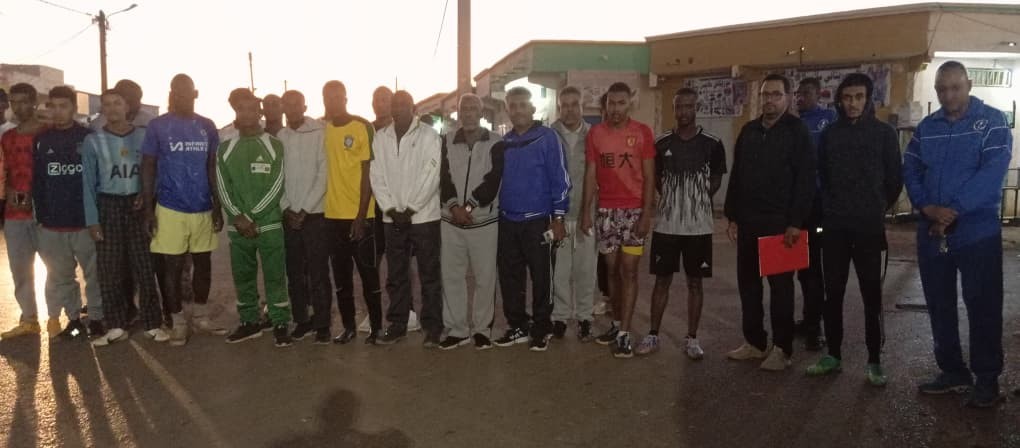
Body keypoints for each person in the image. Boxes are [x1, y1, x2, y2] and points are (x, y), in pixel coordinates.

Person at [904, 61, 1012, 408]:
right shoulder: (927, 128)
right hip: (932, 231)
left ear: (968, 85)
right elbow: (911, 168)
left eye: (955, 87)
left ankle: (987, 379)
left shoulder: (992, 122)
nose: (948, 95)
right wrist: (926, 207)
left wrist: (951, 211)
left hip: (976, 233)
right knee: (939, 304)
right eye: (941, 89)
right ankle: (952, 371)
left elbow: (992, 174)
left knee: (983, 305)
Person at [805, 73, 902, 386]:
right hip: (834, 229)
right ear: (839, 100)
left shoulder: (884, 134)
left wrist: (875, 208)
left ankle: (874, 361)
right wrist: (832, 209)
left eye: (859, 97)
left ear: (868, 99)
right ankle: (833, 355)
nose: (853, 103)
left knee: (871, 296)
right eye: (847, 98)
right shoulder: (830, 135)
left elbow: (894, 179)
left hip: (869, 229)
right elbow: (823, 175)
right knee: (832, 294)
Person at [724, 74, 815, 371]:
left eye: (776, 94)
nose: (769, 100)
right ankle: (755, 342)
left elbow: (805, 180)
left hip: (781, 224)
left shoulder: (797, 132)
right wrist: (732, 216)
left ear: (788, 97)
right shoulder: (749, 131)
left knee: (781, 289)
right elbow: (737, 175)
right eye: (765, 95)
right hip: (749, 221)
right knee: (749, 286)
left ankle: (782, 348)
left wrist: (796, 222)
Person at [478, 86, 570, 352]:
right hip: (508, 220)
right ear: (507, 110)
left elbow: (560, 179)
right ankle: (518, 325)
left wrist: (558, 218)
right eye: (513, 106)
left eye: (522, 105)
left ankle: (542, 328)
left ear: (532, 108)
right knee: (510, 278)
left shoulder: (548, 138)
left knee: (542, 278)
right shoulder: (504, 143)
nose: (517, 110)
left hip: (539, 221)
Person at [640, 88, 726, 360]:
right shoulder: (661, 142)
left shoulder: (712, 143)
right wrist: (673, 201)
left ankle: (692, 338)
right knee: (661, 281)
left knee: (695, 283)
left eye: (689, 106)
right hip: (666, 226)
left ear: (696, 108)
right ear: (674, 109)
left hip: (698, 228)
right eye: (679, 107)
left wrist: (695, 201)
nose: (684, 112)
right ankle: (653, 334)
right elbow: (656, 178)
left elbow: (716, 180)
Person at [141, 74, 224, 346]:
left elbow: (212, 167)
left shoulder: (207, 126)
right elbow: (148, 167)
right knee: (172, 268)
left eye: (187, 92)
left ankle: (200, 317)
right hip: (169, 207)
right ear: (171, 94)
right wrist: (148, 209)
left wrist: (217, 204)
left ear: (195, 94)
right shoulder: (158, 126)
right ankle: (177, 322)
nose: (182, 97)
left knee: (203, 265)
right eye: (177, 92)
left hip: (202, 207)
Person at [82, 88, 168, 346]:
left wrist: (146, 195)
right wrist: (92, 220)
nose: (112, 108)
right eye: (107, 104)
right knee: (109, 269)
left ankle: (152, 323)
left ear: (127, 106)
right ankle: (116, 325)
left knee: (144, 266)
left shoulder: (144, 136)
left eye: (117, 103)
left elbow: (155, 171)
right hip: (108, 205)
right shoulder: (93, 141)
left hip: (137, 206)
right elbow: (87, 183)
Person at [580, 82, 655, 358]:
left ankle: (625, 332)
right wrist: (585, 211)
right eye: (611, 103)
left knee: (629, 272)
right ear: (605, 104)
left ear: (629, 104)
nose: (615, 108)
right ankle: (615, 323)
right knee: (611, 271)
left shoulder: (642, 133)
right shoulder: (596, 134)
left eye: (621, 103)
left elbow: (650, 176)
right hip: (606, 213)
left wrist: (646, 214)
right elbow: (590, 174)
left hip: (633, 212)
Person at [216, 89, 292, 347]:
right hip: (238, 227)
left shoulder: (274, 145)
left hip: (268, 224)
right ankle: (249, 321)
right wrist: (238, 217)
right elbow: (223, 187)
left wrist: (252, 216)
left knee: (275, 276)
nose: (246, 114)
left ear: (259, 113)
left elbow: (276, 185)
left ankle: (280, 322)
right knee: (243, 276)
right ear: (235, 112)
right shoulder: (225, 148)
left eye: (251, 109)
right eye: (241, 109)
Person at [369, 90, 444, 346]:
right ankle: (398, 324)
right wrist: (391, 209)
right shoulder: (381, 137)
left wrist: (410, 209)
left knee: (429, 274)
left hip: (424, 217)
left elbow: (431, 175)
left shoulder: (429, 136)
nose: (398, 108)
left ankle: (432, 327)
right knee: (396, 275)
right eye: (395, 104)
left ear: (413, 108)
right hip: (392, 219)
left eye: (403, 104)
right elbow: (376, 175)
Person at [33, 86, 102, 340]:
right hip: (53, 225)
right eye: (53, 106)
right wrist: (41, 218)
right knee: (62, 276)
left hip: (84, 223)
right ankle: (73, 320)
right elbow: (38, 182)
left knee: (94, 274)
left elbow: (98, 179)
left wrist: (97, 218)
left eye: (64, 106)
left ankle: (97, 318)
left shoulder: (89, 137)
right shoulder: (42, 139)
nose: (58, 111)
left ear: (74, 108)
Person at [437, 94, 502, 350]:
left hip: (483, 222)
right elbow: (442, 176)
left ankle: (482, 329)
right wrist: (454, 207)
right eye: (464, 109)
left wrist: (469, 207)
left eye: (474, 108)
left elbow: (494, 179)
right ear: (458, 113)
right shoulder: (446, 140)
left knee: (485, 278)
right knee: (452, 277)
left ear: (481, 112)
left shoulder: (496, 141)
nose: (468, 113)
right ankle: (457, 329)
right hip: (451, 222)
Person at [321, 81, 383, 345]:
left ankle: (377, 328)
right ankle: (348, 327)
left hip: (361, 217)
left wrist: (361, 216)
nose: (334, 101)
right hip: (332, 217)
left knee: (369, 275)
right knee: (341, 278)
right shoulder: (323, 130)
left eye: (338, 97)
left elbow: (368, 172)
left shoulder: (361, 127)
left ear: (345, 98)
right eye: (329, 97)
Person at [278, 90, 332, 344]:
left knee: (318, 273)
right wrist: (287, 208)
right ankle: (302, 321)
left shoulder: (319, 132)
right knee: (294, 273)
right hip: (289, 216)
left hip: (315, 215)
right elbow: (276, 177)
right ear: (283, 108)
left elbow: (324, 172)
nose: (292, 109)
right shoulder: (280, 137)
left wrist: (305, 210)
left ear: (304, 106)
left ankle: (322, 324)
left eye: (296, 104)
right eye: (287, 105)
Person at [549, 86, 596, 342]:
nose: (569, 110)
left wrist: (591, 211)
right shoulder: (549, 136)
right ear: (559, 108)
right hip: (558, 216)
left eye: (573, 104)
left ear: (582, 106)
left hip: (586, 214)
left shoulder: (594, 135)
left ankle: (585, 317)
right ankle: (560, 317)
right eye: (564, 105)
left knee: (586, 271)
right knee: (559, 271)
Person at [0, 83, 46, 339]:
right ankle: (29, 319)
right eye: (14, 102)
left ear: (34, 102)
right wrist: (8, 194)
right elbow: (4, 172)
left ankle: (64, 319)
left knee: (58, 268)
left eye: (24, 101)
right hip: (15, 213)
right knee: (20, 269)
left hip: (46, 211)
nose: (18, 107)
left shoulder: (47, 133)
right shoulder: (7, 137)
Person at [793, 77, 835, 351]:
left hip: (820, 205)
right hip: (797, 207)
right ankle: (807, 318)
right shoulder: (793, 123)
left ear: (818, 95)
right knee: (800, 267)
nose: (801, 98)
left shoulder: (828, 121)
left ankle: (816, 327)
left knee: (815, 269)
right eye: (798, 93)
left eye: (806, 93)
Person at [90, 79, 156, 130]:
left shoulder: (150, 122)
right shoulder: (99, 124)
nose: (132, 104)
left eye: (136, 100)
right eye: (128, 100)